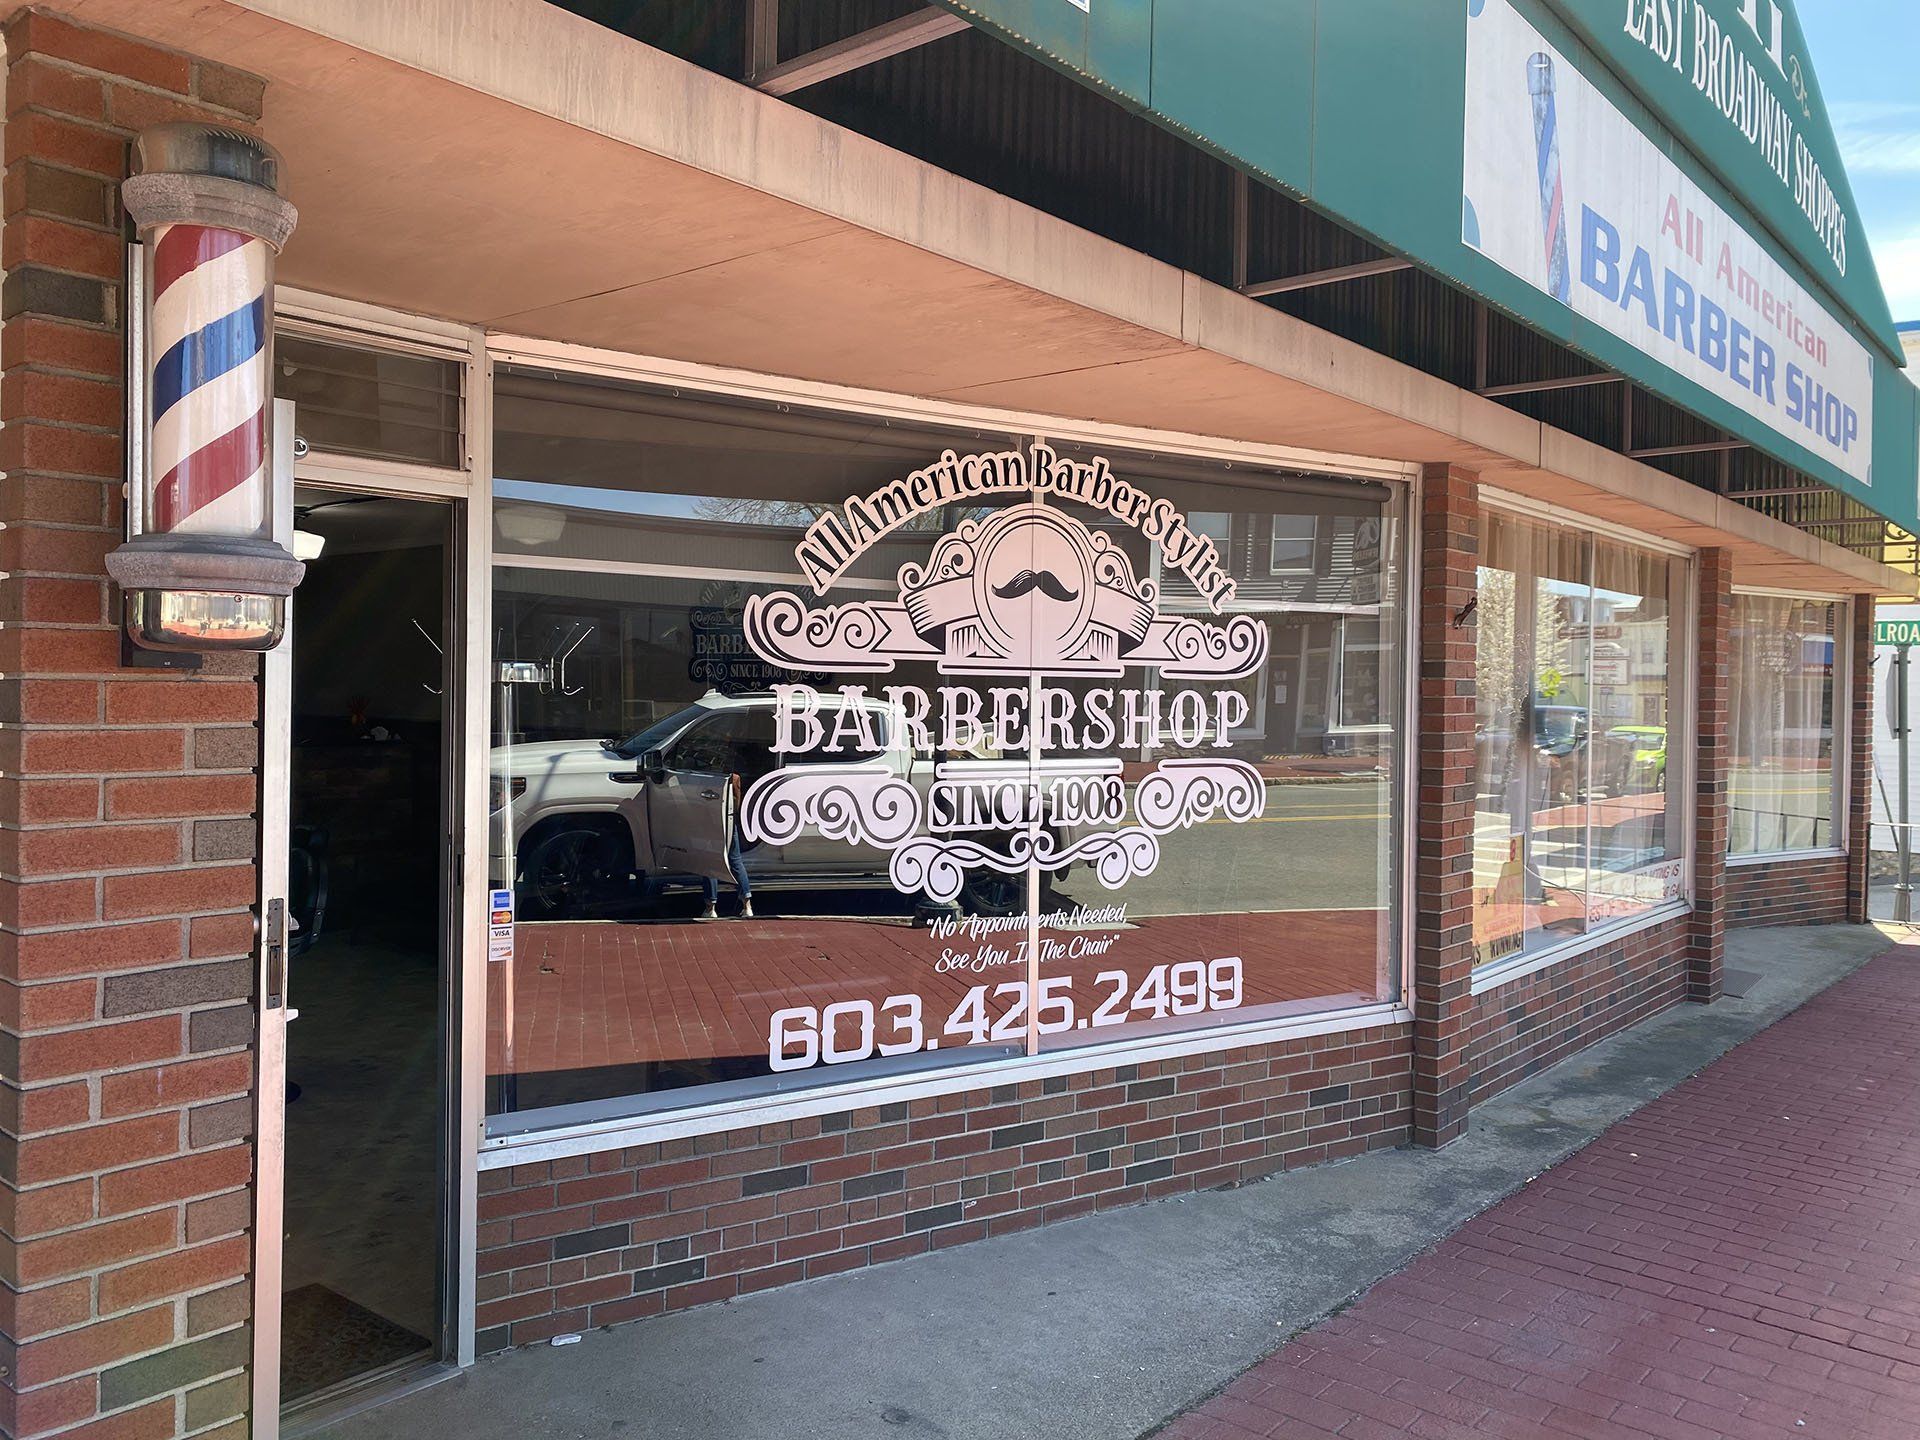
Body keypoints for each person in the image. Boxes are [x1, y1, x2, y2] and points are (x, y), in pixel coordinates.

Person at [701, 765, 752, 920]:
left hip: (708, 821)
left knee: (709, 863)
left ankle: (711, 907)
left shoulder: (702, 778)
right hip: (728, 821)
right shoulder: (733, 778)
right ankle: (747, 905)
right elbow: (737, 805)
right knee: (735, 861)